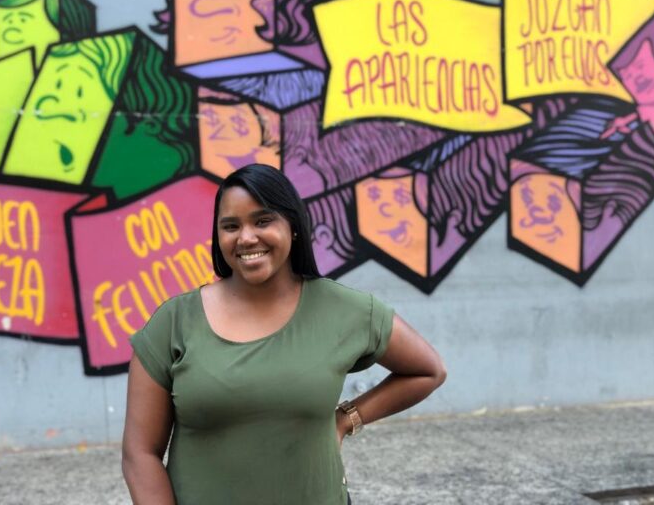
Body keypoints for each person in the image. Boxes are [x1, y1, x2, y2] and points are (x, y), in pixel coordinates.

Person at [121, 163, 447, 505]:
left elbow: (428, 371)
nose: (246, 237)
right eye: (231, 226)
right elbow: (140, 453)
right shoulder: (174, 322)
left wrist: (346, 419)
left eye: (263, 221)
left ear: (293, 227)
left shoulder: (343, 309)